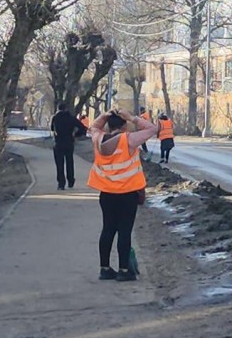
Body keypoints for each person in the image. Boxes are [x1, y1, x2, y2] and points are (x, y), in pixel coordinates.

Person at [88, 109, 158, 281]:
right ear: (124, 125)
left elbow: (93, 127)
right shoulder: (128, 140)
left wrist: (104, 115)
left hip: (106, 193)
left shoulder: (97, 138)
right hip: (127, 194)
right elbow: (152, 129)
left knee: (108, 229)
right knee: (124, 231)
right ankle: (124, 270)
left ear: (108, 125)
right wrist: (132, 118)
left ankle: (104, 269)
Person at [50, 102, 87, 190]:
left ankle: (61, 183)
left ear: (58, 108)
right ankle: (71, 181)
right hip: (69, 142)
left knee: (59, 164)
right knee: (69, 162)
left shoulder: (55, 118)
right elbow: (83, 128)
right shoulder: (71, 118)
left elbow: (52, 128)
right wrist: (75, 135)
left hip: (58, 143)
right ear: (66, 108)